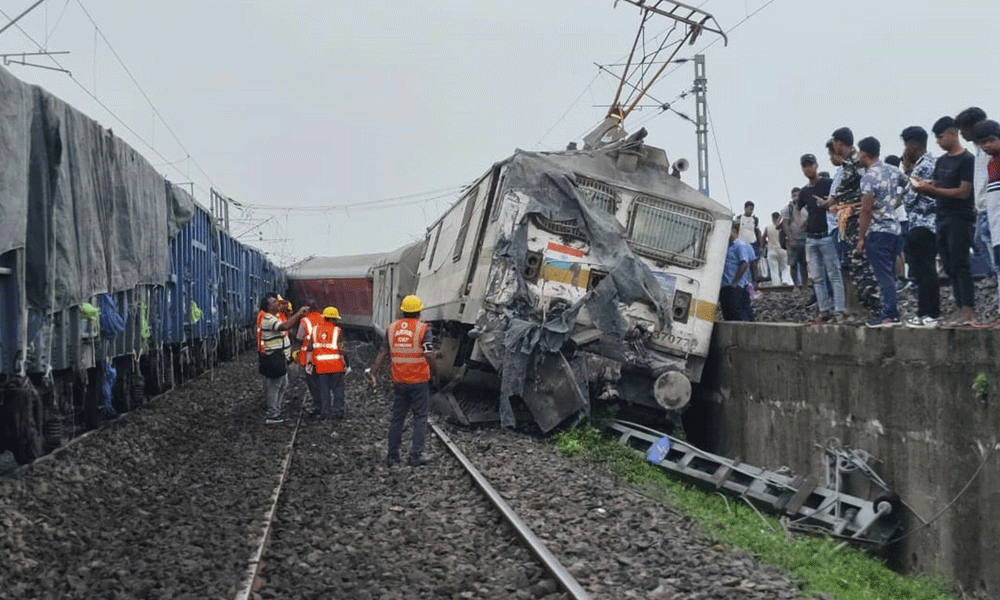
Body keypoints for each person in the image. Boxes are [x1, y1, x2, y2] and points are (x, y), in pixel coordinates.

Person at [912, 116, 977, 326]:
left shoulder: (967, 160)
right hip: (941, 217)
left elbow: (963, 192)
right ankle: (960, 309)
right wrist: (924, 186)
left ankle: (968, 311)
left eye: (940, 137)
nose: (938, 142)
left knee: (960, 262)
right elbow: (938, 187)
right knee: (948, 265)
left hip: (960, 217)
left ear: (953, 133)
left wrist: (932, 189)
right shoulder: (941, 161)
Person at [368, 294, 437, 467]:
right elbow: (429, 354)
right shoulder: (423, 329)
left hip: (399, 381)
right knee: (420, 417)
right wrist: (436, 373)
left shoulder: (391, 329)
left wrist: (374, 373)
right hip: (419, 381)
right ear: (419, 312)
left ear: (403, 312)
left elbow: (382, 352)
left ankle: (392, 457)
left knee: (397, 418)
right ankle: (416, 454)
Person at [855, 137, 906, 327]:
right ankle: (891, 313)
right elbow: (909, 184)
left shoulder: (868, 177)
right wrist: (895, 202)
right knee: (890, 274)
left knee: (883, 275)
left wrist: (861, 237)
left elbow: (866, 209)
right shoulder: (893, 170)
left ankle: (889, 315)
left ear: (864, 154)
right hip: (894, 229)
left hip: (878, 231)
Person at [830, 126, 880, 312]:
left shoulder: (856, 163)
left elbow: (863, 191)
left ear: (839, 143)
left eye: (834, 143)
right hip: (851, 218)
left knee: (862, 262)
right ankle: (870, 305)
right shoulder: (851, 162)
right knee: (857, 263)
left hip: (858, 218)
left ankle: (876, 305)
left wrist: (836, 203)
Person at [900, 126, 941, 328]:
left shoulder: (923, 166)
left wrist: (908, 172)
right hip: (923, 223)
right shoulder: (926, 164)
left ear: (912, 145)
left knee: (925, 270)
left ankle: (930, 313)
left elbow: (909, 198)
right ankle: (924, 312)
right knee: (922, 270)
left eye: (906, 145)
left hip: (924, 224)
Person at [797, 153, 844, 323]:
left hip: (827, 236)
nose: (808, 168)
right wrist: (800, 220)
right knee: (817, 277)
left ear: (816, 166)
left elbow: (839, 200)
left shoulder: (828, 184)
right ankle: (824, 310)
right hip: (811, 238)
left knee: (834, 274)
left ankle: (839, 310)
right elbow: (798, 208)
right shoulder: (804, 192)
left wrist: (828, 205)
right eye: (804, 166)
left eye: (810, 164)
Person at [955, 107, 996, 279]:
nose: (962, 135)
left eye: (963, 130)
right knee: (979, 242)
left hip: (991, 207)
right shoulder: (979, 150)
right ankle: (994, 274)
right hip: (981, 209)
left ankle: (996, 274)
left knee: (989, 244)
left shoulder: (990, 149)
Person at [259, 293, 309, 424]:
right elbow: (285, 326)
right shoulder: (269, 319)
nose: (278, 303)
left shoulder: (273, 317)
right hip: (274, 357)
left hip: (279, 357)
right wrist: (298, 314)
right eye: (275, 302)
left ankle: (276, 409)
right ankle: (273, 413)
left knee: (282, 384)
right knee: (275, 385)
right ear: (269, 307)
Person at [972, 119, 1000, 325]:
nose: (986, 146)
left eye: (990, 140)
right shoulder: (991, 163)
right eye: (982, 143)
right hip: (995, 226)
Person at [309, 307, 349, 419]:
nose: (337, 321)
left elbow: (309, 347)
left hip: (321, 367)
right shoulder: (338, 331)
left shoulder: (315, 330)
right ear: (333, 319)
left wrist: (309, 363)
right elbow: (342, 349)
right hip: (336, 366)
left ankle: (325, 412)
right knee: (338, 389)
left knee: (324, 389)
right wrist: (347, 363)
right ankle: (338, 411)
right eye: (336, 319)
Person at [720, 224, 756, 321]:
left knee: (737, 313)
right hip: (725, 285)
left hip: (735, 286)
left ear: (734, 230)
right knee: (728, 313)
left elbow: (744, 264)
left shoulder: (740, 245)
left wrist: (735, 282)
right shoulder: (726, 246)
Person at [295, 304, 325, 414]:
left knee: (313, 382)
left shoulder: (304, 321)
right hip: (323, 354)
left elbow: (299, 337)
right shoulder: (324, 318)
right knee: (323, 381)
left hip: (309, 356)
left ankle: (318, 406)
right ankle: (326, 405)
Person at [782, 188, 808, 287]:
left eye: (798, 195)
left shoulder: (806, 207)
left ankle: (805, 285)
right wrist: (791, 238)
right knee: (793, 264)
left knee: (804, 264)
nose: (796, 197)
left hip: (805, 239)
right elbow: (785, 224)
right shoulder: (787, 209)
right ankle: (796, 285)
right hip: (793, 240)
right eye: (794, 195)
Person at [734, 201, 763, 281]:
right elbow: (735, 230)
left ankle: (755, 281)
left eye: (752, 209)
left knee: (754, 263)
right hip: (742, 243)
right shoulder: (739, 218)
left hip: (752, 243)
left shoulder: (755, 219)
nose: (751, 211)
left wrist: (760, 245)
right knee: (742, 263)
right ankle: (743, 281)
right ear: (745, 208)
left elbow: (758, 232)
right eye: (750, 209)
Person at [762, 211, 790, 285]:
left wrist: (765, 244)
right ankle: (785, 281)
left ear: (772, 218)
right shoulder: (783, 227)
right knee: (785, 268)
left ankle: (776, 284)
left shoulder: (768, 227)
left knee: (774, 270)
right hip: (783, 250)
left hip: (771, 250)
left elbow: (763, 237)